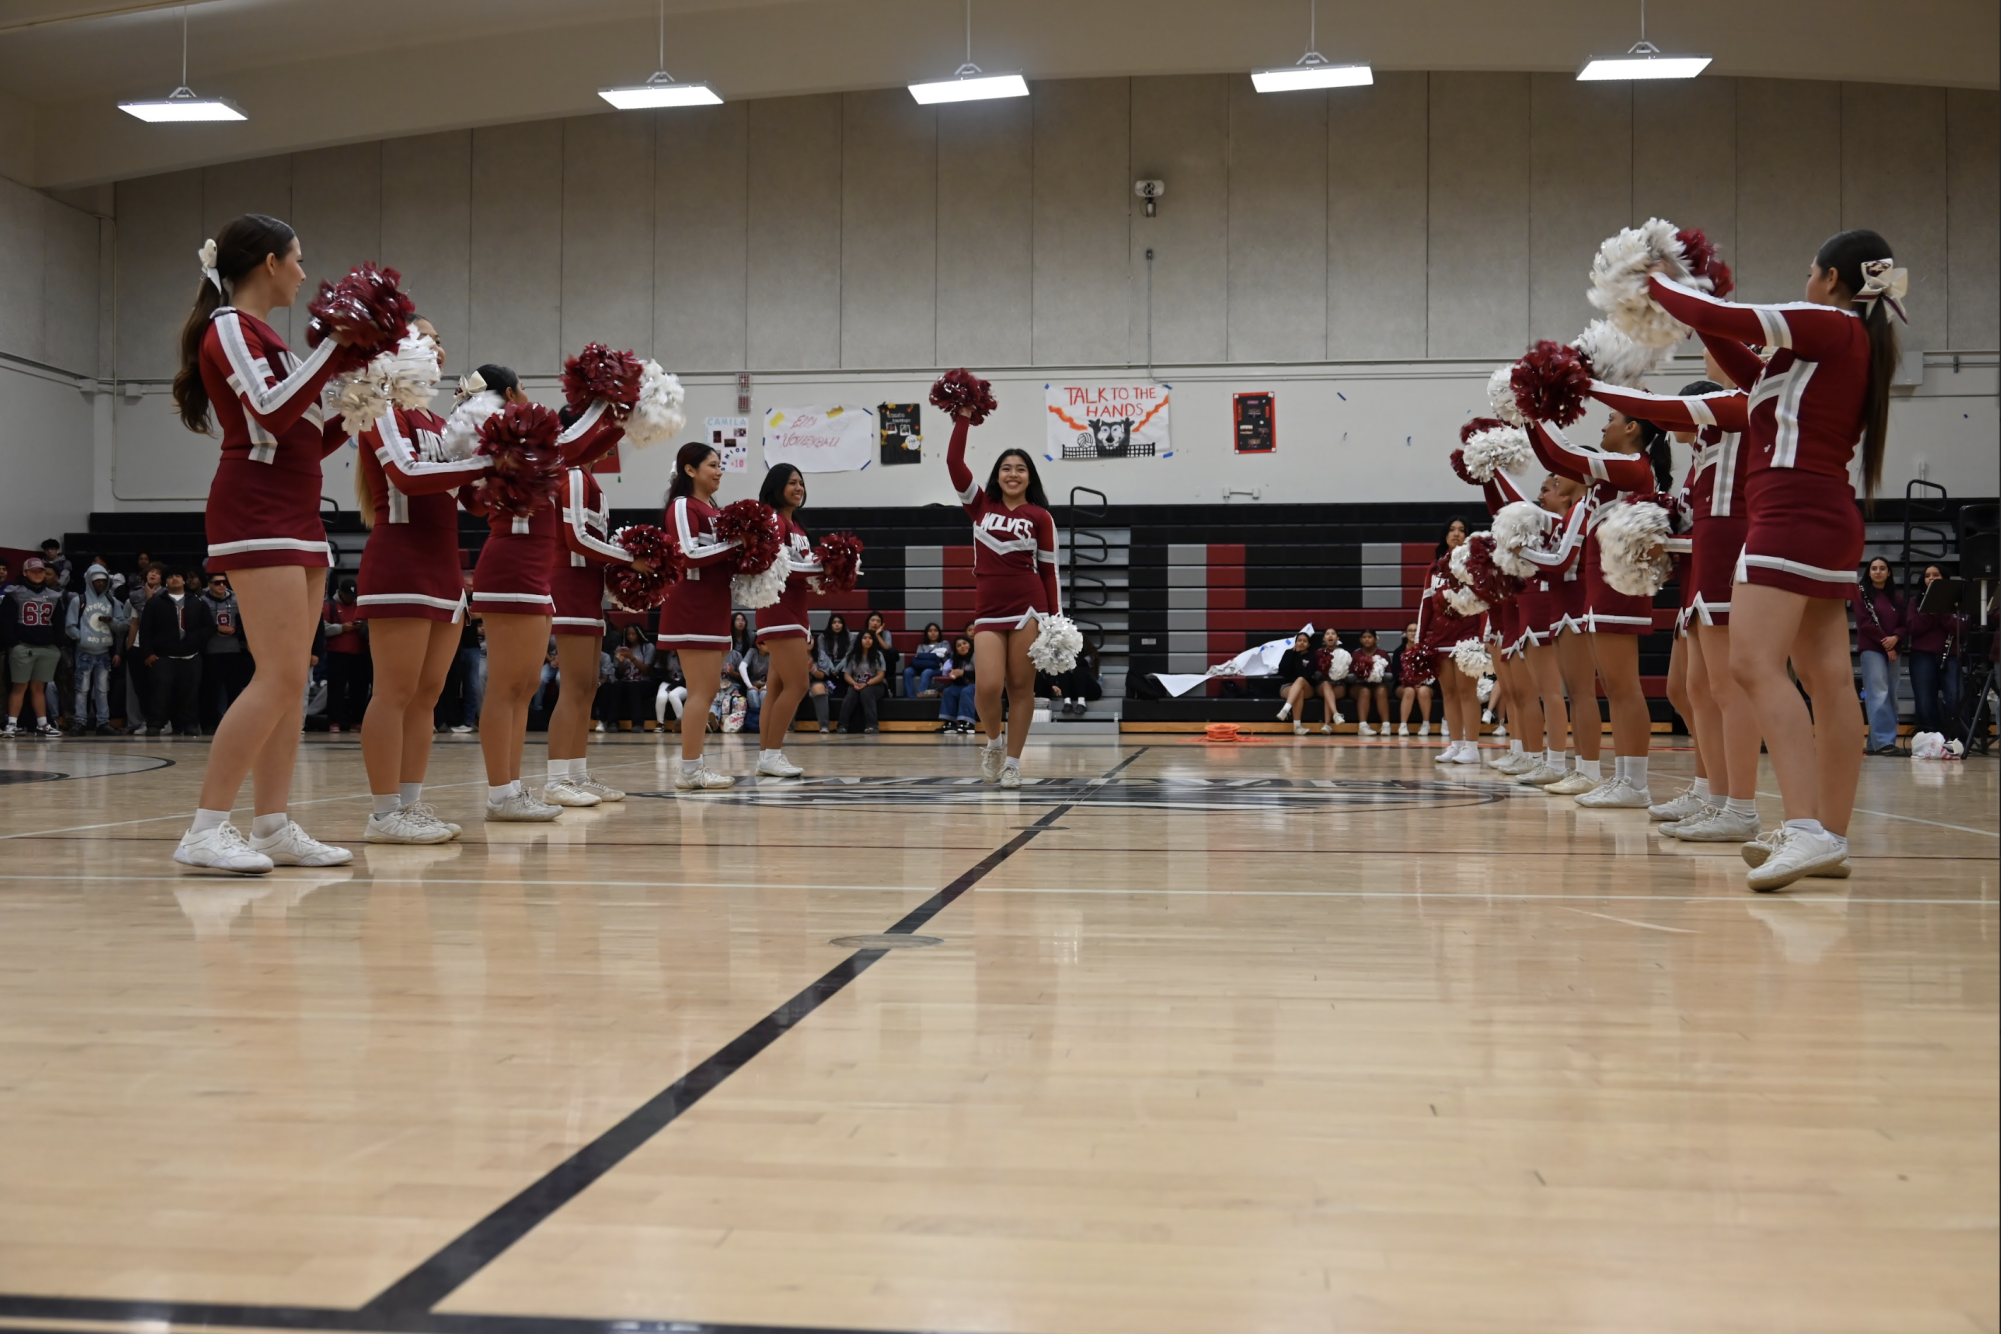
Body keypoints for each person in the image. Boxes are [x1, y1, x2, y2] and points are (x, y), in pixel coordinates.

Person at [1645, 229, 1900, 888]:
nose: (1805, 282)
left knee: (1753, 662)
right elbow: (1727, 345)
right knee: (1824, 676)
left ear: (1831, 280)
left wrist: (1644, 279)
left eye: (1810, 272)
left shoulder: (1828, 325)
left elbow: (1719, 317)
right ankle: (1828, 837)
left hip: (1790, 515)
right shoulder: (1830, 351)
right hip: (1821, 514)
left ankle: (1807, 829)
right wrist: (1690, 291)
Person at [168, 211, 362, 872]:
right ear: (269, 263)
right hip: (256, 512)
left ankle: (273, 825)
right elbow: (272, 414)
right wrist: (335, 349)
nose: (305, 274)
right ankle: (204, 828)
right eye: (298, 259)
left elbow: (306, 433)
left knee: (293, 675)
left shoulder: (272, 343)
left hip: (298, 514)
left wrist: (364, 400)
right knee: (277, 673)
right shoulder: (228, 329)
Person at [1585, 373, 1762, 839]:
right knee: (1689, 691)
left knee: (1722, 690)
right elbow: (1688, 525)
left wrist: (1591, 381)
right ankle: (1710, 791)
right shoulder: (1697, 461)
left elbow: (1717, 524)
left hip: (1720, 568)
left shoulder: (1731, 436)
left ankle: (1737, 805)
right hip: (1695, 579)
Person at [351, 318, 487, 842]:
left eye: (439, 337)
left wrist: (507, 472)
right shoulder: (380, 408)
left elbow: (468, 497)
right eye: (426, 335)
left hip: (444, 568)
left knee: (428, 694)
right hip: (400, 563)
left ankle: (409, 806)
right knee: (394, 692)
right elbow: (407, 475)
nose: (438, 344)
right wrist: (481, 462)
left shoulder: (439, 418)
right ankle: (384, 813)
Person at [1524, 408, 1671, 805]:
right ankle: (1624, 778)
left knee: (1624, 688)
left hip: (1618, 584)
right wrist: (1525, 417)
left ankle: (1635, 784)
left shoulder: (1630, 466)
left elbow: (1563, 453)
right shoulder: (1607, 480)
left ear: (1632, 427)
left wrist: (1533, 406)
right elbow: (1556, 459)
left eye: (1610, 419)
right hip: (1602, 587)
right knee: (1613, 688)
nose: (1603, 426)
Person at [460, 365, 566, 822]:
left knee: (523, 686)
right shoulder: (502, 449)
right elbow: (468, 495)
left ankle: (513, 788)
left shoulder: (529, 451)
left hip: (536, 571)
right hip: (512, 566)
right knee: (506, 686)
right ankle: (500, 792)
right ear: (509, 394)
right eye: (524, 388)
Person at [944, 383, 1061, 787]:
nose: (1013, 474)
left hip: (1029, 605)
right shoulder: (980, 505)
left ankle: (1013, 761)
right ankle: (994, 742)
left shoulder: (1040, 516)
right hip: (989, 606)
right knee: (988, 686)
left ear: (1030, 477)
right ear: (997, 475)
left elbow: (1049, 572)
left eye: (1021, 469)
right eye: (1006, 468)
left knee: (1020, 686)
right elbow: (954, 462)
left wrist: (1054, 621)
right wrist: (963, 416)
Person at [543, 398, 635, 806]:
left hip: (587, 588)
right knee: (574, 685)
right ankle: (556, 779)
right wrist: (634, 560)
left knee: (587, 685)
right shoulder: (575, 477)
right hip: (570, 584)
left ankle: (576, 773)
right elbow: (577, 540)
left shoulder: (588, 479)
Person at [657, 441, 742, 789]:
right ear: (690, 470)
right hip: (692, 604)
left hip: (716, 603)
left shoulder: (715, 510)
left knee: (707, 689)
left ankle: (694, 767)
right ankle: (689, 770)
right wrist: (740, 544)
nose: (719, 470)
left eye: (720, 464)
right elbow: (688, 553)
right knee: (700, 691)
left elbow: (721, 558)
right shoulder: (682, 505)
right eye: (712, 464)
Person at [749, 463, 823, 776]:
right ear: (776, 486)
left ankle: (767, 755)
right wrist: (823, 571)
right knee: (799, 684)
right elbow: (784, 570)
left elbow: (802, 573)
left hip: (796, 611)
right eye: (791, 482)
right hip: (778, 610)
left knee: (777, 687)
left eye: (801, 483)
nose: (798, 488)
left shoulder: (798, 527)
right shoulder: (774, 522)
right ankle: (772, 754)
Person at [1415, 518, 1482, 763]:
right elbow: (1426, 607)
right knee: (1449, 693)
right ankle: (1456, 744)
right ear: (1444, 535)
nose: (1456, 534)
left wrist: (1483, 637)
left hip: (1467, 636)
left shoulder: (1476, 564)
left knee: (1467, 692)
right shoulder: (1434, 568)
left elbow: (1485, 603)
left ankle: (1472, 748)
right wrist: (1421, 641)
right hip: (1440, 637)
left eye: (1461, 530)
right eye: (1452, 530)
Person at [139, 569, 212, 737]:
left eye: (178, 575)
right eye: (170, 576)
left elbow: (208, 627)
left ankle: (190, 725)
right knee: (160, 693)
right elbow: (145, 629)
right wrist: (148, 652)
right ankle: (155, 724)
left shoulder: (198, 602)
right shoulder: (155, 602)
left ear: (184, 580)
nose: (174, 579)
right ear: (166, 582)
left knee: (190, 693)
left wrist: (196, 642)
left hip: (191, 655)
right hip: (164, 656)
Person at [3, 557, 68, 738]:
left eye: (40, 571)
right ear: (25, 573)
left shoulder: (54, 596)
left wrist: (56, 645)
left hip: (46, 647)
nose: (37, 574)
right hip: (23, 646)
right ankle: (12, 724)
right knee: (19, 686)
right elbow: (6, 621)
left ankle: (42, 724)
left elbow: (59, 622)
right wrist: (13, 644)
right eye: (33, 571)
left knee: (40, 688)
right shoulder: (14, 593)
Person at [66, 562, 128, 735]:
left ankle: (103, 722)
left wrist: (112, 622)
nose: (100, 584)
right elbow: (70, 626)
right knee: (82, 689)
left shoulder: (112, 601)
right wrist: (82, 638)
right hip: (84, 651)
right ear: (89, 582)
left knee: (102, 690)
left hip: (103, 652)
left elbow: (123, 626)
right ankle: (80, 721)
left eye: (103, 581)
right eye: (97, 581)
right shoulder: (79, 600)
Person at [1906, 564, 1966, 737]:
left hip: (1952, 655)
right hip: (1922, 656)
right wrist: (1930, 612)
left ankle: (1959, 739)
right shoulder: (1915, 601)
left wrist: (1942, 611)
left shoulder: (1958, 599)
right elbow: (1912, 627)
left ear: (1944, 578)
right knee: (1925, 702)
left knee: (1956, 698)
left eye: (1936, 575)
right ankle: (1930, 739)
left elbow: (1961, 627)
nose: (1931, 578)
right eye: (1927, 575)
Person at [1855, 557, 1906, 755]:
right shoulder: (1861, 595)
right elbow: (1865, 624)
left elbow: (1904, 624)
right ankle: (1884, 743)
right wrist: (1887, 643)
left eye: (1882, 568)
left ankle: (1878, 743)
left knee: (1891, 695)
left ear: (1889, 573)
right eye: (1874, 568)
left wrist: (1896, 637)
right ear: (1869, 572)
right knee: (1879, 694)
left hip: (1893, 648)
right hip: (1873, 650)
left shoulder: (1897, 598)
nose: (1878, 572)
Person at [198, 571, 251, 732]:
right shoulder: (202, 601)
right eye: (217, 583)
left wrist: (238, 631)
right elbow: (199, 625)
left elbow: (248, 622)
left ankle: (234, 723)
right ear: (209, 585)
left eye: (224, 583)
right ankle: (209, 723)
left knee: (234, 688)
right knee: (211, 689)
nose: (221, 585)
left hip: (234, 650)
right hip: (211, 651)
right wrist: (216, 628)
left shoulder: (237, 599)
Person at [320, 578, 370, 732]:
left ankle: (357, 721)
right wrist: (342, 628)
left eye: (353, 596)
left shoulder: (360, 606)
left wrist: (362, 628)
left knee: (359, 689)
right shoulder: (330, 607)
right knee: (336, 689)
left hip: (360, 653)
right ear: (340, 592)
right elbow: (323, 629)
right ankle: (334, 721)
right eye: (348, 595)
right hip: (337, 653)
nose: (351, 599)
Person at [124, 563, 164, 732]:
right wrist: (129, 646)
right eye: (150, 572)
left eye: (156, 573)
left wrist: (151, 599)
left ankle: (162, 721)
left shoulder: (168, 595)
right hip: (138, 646)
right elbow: (134, 623)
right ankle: (147, 721)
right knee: (141, 688)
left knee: (158, 687)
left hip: (158, 648)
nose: (152, 575)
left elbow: (161, 621)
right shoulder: (135, 595)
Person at [837, 627, 889, 732]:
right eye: (865, 638)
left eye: (870, 638)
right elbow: (847, 675)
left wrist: (867, 684)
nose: (867, 640)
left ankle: (872, 726)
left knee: (866, 693)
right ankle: (842, 725)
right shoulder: (853, 656)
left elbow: (880, 675)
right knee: (850, 695)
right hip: (856, 684)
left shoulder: (878, 655)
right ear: (860, 640)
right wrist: (854, 683)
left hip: (876, 685)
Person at [1275, 631, 1323, 737]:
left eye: (1305, 641)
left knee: (1300, 680)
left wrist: (1298, 657)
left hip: (1307, 687)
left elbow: (1305, 675)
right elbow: (1283, 671)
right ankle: (1297, 727)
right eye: (1299, 640)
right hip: (1288, 686)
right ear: (1295, 642)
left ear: (1309, 645)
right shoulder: (1288, 653)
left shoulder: (1311, 657)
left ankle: (1286, 709)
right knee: (1298, 692)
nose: (1301, 643)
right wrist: (1294, 654)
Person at [809, 613, 851, 733]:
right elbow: (823, 655)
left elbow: (850, 655)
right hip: (828, 673)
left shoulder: (849, 636)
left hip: (843, 671)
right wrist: (832, 667)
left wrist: (838, 667)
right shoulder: (823, 637)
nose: (837, 625)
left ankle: (844, 725)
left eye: (839, 622)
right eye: (834, 622)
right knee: (826, 685)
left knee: (846, 688)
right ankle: (824, 726)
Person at [1390, 621, 1434, 736]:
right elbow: (1396, 673)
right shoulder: (1398, 651)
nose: (1413, 633)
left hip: (1425, 684)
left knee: (1423, 691)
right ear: (1405, 633)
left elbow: (1432, 670)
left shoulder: (1427, 650)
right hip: (1403, 684)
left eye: (1416, 630)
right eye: (1410, 630)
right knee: (1409, 690)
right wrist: (1410, 682)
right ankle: (1403, 725)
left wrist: (1421, 681)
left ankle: (1426, 724)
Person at [609, 624, 656, 730]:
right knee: (616, 686)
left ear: (639, 634)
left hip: (644, 682)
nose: (630, 636)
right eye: (628, 634)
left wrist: (631, 657)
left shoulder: (648, 647)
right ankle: (612, 723)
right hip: (626, 681)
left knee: (633, 687)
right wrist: (621, 662)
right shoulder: (620, 648)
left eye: (633, 634)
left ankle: (638, 724)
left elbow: (646, 670)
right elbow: (619, 675)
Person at [1348, 629, 1390, 735]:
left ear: (1375, 639)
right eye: (1364, 637)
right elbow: (1348, 677)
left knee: (1381, 690)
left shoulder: (1382, 654)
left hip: (1378, 685)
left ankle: (1386, 726)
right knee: (1365, 691)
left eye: (1370, 637)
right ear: (1361, 640)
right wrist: (1361, 675)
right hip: (1359, 686)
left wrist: (1377, 675)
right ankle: (1363, 726)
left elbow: (1391, 676)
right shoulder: (1356, 654)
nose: (1367, 639)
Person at [937, 634, 978, 732]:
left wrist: (963, 673)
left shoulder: (975, 655)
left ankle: (968, 723)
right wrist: (954, 676)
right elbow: (960, 679)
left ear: (970, 645)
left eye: (964, 643)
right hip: (965, 685)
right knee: (949, 691)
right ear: (956, 650)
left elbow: (982, 675)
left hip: (979, 685)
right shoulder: (955, 660)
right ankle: (950, 722)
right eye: (959, 645)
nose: (962, 646)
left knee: (966, 691)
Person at [904, 622, 950, 697]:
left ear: (939, 633)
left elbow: (943, 655)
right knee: (907, 671)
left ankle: (920, 697)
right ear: (926, 633)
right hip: (921, 666)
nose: (933, 633)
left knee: (926, 672)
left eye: (935, 631)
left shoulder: (944, 643)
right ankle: (910, 699)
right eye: (930, 631)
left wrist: (926, 655)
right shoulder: (921, 646)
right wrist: (935, 654)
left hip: (937, 667)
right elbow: (919, 657)